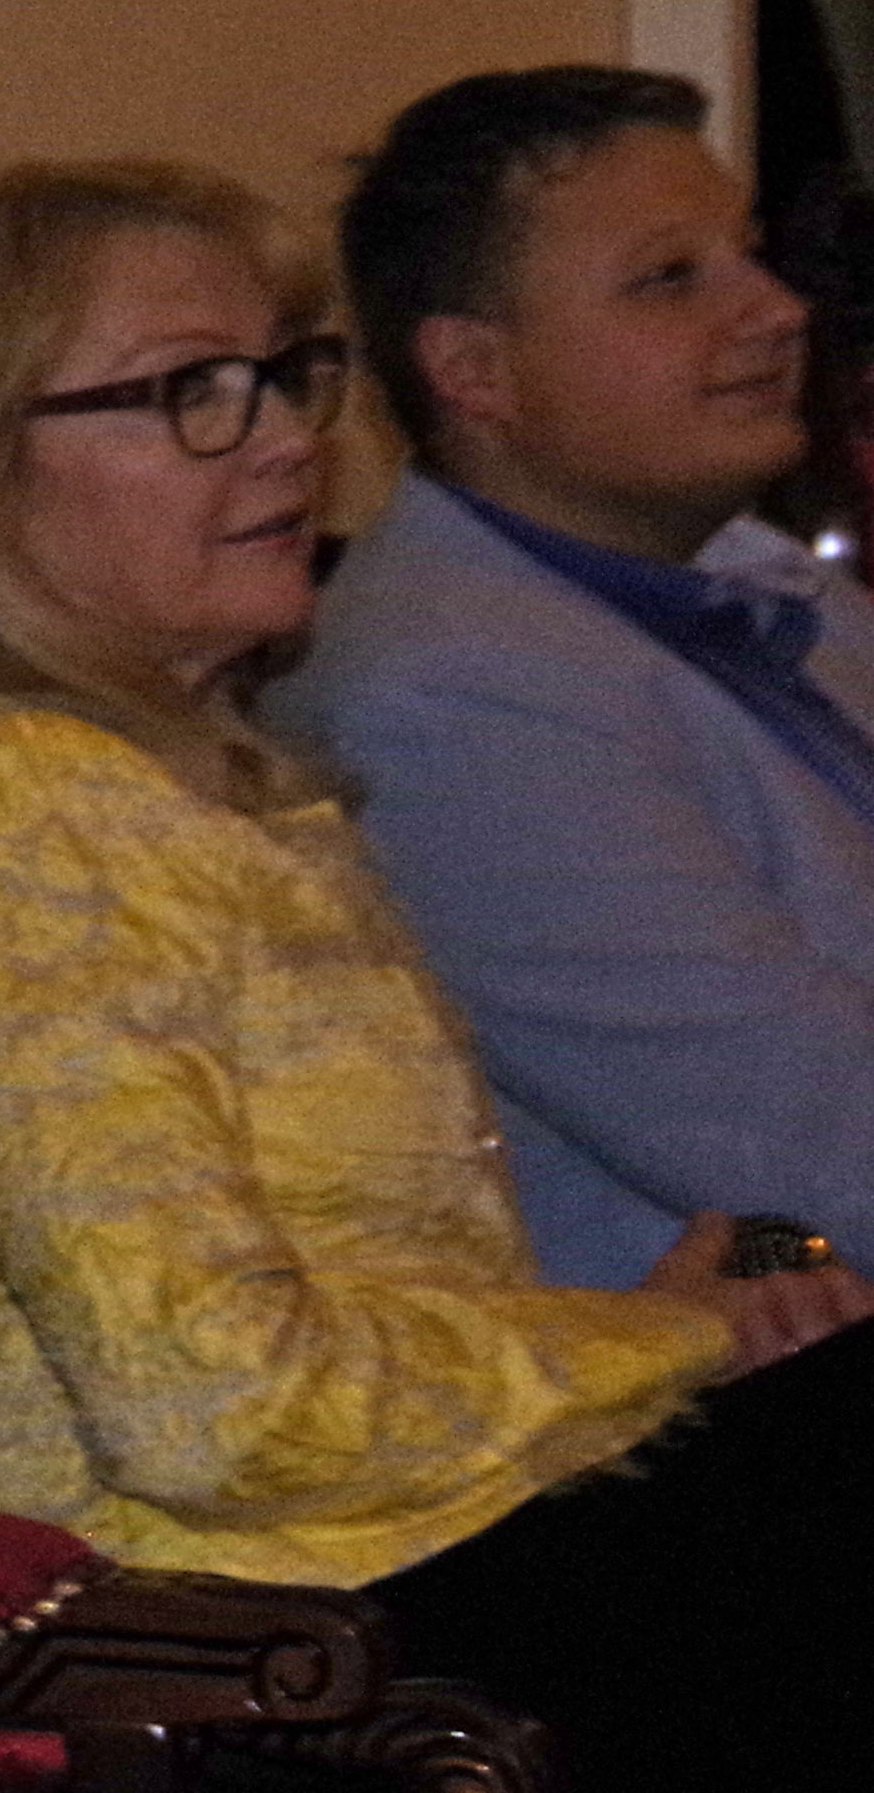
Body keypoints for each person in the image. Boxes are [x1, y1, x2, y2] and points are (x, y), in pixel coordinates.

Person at [0, 156, 874, 1792]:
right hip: (264, 1638)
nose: (280, 440)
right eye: (188, 392)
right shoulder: (14, 809)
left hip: (436, 1540)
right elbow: (213, 1412)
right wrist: (667, 1343)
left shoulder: (201, 776)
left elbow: (387, 1295)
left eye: (283, 375)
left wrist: (669, 1321)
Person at [268, 67, 874, 1286]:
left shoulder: (757, 587)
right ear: (475, 370)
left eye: (750, 253)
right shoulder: (448, 697)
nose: (775, 309)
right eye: (671, 277)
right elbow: (826, 1149)